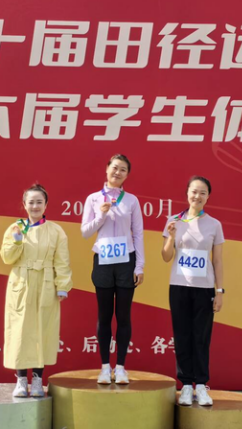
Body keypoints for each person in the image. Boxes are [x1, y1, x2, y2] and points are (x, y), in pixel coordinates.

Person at [0, 184, 72, 398]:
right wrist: (17, 241)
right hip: (21, 283)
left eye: (39, 202)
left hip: (46, 283)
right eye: (31, 202)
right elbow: (7, 258)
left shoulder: (56, 231)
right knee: (20, 331)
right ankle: (21, 379)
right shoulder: (16, 228)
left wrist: (63, 286)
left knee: (43, 329)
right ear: (24, 205)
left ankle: (38, 379)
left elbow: (62, 260)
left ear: (46, 205)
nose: (35, 206)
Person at [81, 154, 145, 385]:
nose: (118, 172)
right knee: (104, 316)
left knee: (124, 316)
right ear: (107, 169)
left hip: (126, 261)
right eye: (115, 168)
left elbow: (138, 234)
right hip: (103, 261)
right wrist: (101, 215)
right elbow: (85, 232)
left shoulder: (132, 201)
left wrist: (139, 265)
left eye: (123, 170)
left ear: (127, 175)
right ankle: (104, 367)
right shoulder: (93, 199)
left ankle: (121, 368)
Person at [161, 176, 225, 406]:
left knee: (201, 337)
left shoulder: (214, 225)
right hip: (179, 287)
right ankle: (186, 385)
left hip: (204, 288)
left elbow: (217, 261)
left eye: (202, 193)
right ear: (187, 193)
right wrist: (170, 237)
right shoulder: (174, 221)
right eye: (194, 191)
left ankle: (201, 385)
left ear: (208, 197)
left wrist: (219, 291)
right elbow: (166, 256)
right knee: (182, 336)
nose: (197, 196)